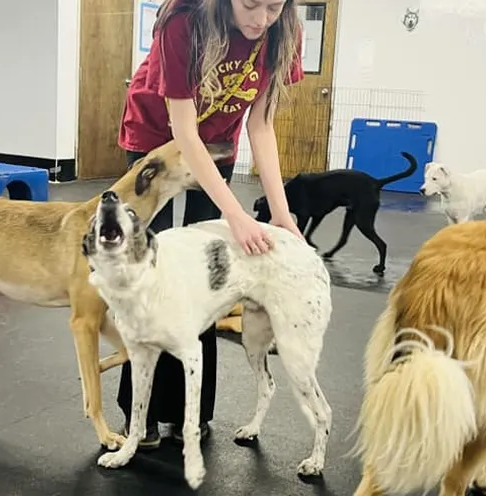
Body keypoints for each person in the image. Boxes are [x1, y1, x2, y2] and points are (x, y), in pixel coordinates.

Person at [115, 0, 305, 450]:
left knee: (205, 279)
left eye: (274, 7)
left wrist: (280, 212)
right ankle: (137, 417)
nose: (261, 19)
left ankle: (189, 414)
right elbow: (183, 134)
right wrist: (235, 215)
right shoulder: (184, 23)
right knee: (149, 276)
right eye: (250, 5)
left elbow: (261, 127)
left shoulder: (281, 33)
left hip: (216, 145)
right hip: (156, 142)